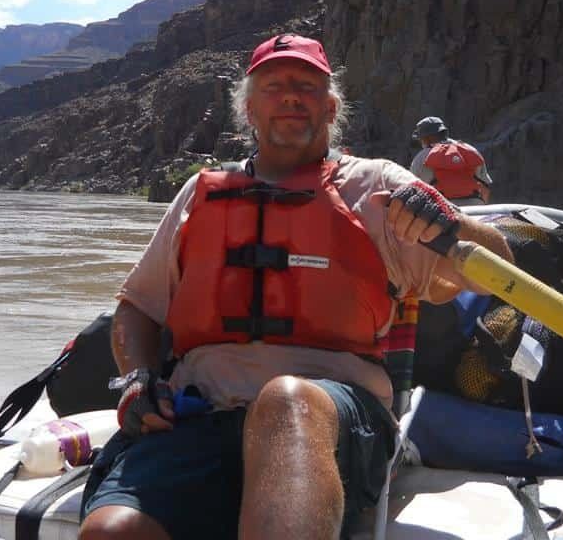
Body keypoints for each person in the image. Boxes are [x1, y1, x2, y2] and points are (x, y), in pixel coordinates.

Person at [78, 34, 512, 540]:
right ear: (247, 108)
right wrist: (137, 380)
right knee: (113, 531)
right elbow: (137, 309)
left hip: (333, 420)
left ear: (330, 108)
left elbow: (499, 270)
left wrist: (451, 226)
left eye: (307, 86)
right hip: (202, 415)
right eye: (274, 85)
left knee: (286, 399)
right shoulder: (199, 194)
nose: (291, 96)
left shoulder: (378, 186)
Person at [409, 116, 493, 205]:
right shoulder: (470, 150)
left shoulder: (422, 157)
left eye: (421, 139)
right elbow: (486, 188)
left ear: (427, 138)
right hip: (474, 208)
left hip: (442, 211)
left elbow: (412, 189)